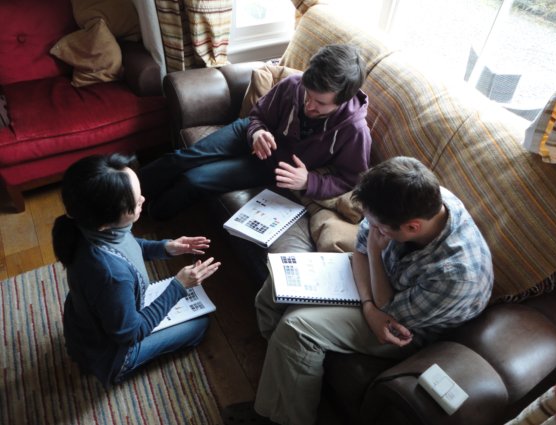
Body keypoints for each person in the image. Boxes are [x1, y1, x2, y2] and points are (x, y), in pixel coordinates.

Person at [247, 156, 494, 424]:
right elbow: (361, 252)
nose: (370, 227)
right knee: (277, 283)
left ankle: (288, 418)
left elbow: (388, 310)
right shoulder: (415, 200)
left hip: (407, 328)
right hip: (378, 291)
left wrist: (375, 251)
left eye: (377, 227)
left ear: (412, 227)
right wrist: (367, 302)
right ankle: (282, 373)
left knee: (296, 328)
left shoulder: (456, 277)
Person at [139, 44, 372, 220]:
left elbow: (351, 179)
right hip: (248, 134)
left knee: (194, 180)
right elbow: (258, 116)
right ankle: (124, 193)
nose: (309, 105)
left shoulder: (354, 131)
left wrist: (309, 181)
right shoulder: (293, 84)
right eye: (307, 95)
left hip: (270, 166)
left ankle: (149, 215)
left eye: (320, 103)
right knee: (181, 159)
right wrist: (257, 132)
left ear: (344, 99)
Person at [52, 153, 221, 388]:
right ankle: (115, 369)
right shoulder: (110, 275)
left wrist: (165, 248)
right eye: (135, 201)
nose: (143, 198)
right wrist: (178, 286)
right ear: (106, 220)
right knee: (199, 326)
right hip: (110, 354)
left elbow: (129, 245)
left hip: (87, 324)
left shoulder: (88, 226)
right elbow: (130, 333)